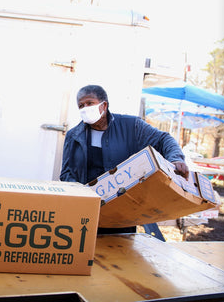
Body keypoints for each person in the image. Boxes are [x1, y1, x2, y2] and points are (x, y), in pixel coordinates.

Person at [60, 84, 189, 234]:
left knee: (120, 251)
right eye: (81, 105)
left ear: (104, 105)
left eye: (90, 103)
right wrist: (81, 193)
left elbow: (163, 139)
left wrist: (176, 159)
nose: (85, 108)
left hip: (122, 213)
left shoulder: (131, 127)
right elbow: (66, 173)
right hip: (87, 212)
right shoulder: (74, 136)